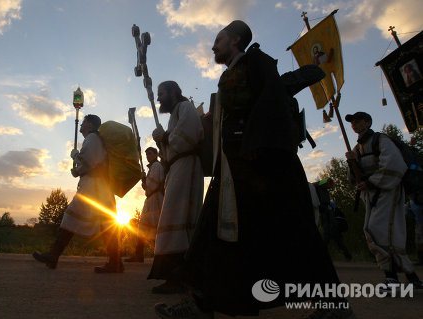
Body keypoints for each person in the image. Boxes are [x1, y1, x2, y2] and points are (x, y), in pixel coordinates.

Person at [155, 20, 353, 319]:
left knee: (294, 232)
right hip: (234, 168)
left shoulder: (256, 62)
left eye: (218, 39)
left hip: (263, 165)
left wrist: (259, 154)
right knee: (216, 233)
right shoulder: (232, 73)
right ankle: (204, 303)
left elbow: (272, 101)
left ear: (235, 40)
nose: (213, 45)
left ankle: (334, 307)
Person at [32, 114, 123, 273]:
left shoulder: (92, 138)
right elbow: (91, 164)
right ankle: (116, 263)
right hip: (101, 188)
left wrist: (74, 156)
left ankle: (54, 255)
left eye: (83, 123)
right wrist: (78, 171)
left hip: (93, 188)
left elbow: (87, 161)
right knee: (106, 225)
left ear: (89, 124)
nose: (81, 125)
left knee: (70, 218)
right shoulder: (97, 139)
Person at [345, 111, 423, 290]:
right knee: (386, 232)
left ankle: (392, 277)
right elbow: (353, 179)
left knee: (377, 229)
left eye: (358, 121)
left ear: (368, 122)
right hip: (371, 195)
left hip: (388, 190)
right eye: (352, 122)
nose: (354, 124)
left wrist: (371, 182)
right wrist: (351, 163)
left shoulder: (381, 140)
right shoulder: (357, 149)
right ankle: (411, 278)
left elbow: (395, 165)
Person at [148, 80, 204, 294]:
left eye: (162, 93)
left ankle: (178, 278)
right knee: (174, 219)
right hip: (177, 167)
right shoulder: (174, 114)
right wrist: (162, 141)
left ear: (173, 92)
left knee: (176, 219)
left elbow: (187, 137)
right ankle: (177, 275)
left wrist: (165, 137)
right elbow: (169, 149)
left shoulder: (185, 107)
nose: (160, 98)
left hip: (186, 165)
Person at [125, 147, 165, 262]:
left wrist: (144, 179)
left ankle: (160, 254)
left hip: (156, 199)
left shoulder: (157, 166)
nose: (148, 156)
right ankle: (139, 254)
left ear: (155, 154)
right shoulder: (153, 167)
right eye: (147, 154)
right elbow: (147, 187)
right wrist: (144, 180)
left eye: (150, 154)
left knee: (155, 227)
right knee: (143, 227)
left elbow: (152, 185)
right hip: (151, 199)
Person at [314, 179, 352, 261]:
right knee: (330, 236)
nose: (330, 186)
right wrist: (328, 181)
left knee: (332, 236)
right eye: (329, 185)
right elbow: (320, 183)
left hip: (328, 213)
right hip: (325, 212)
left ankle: (348, 256)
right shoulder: (319, 187)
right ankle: (347, 255)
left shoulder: (324, 192)